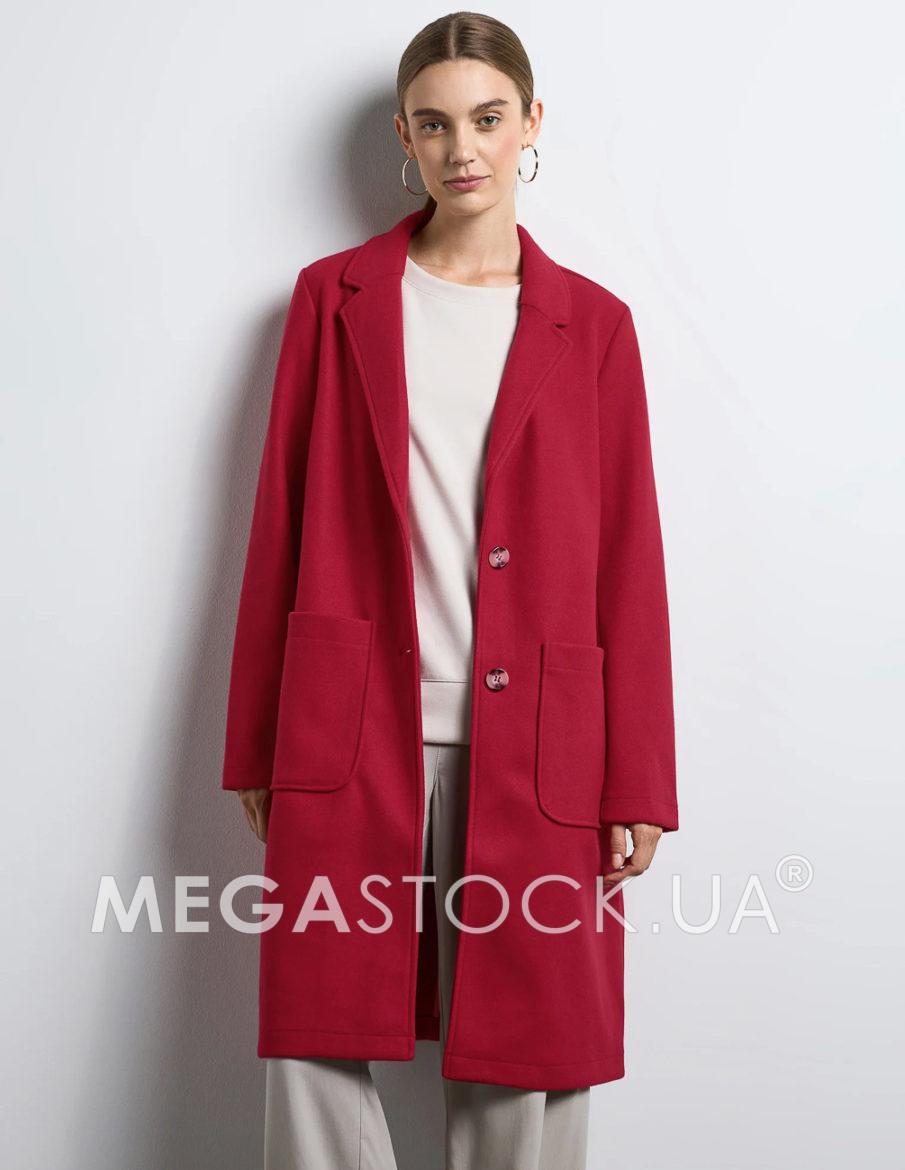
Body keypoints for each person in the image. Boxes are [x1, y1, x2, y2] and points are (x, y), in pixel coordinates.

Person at [222, 12, 679, 1169]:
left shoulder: (595, 327)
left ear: (530, 124)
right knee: (316, 1035)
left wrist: (637, 776)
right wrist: (257, 741)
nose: (460, 148)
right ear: (403, 137)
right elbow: (278, 527)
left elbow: (629, 555)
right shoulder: (331, 300)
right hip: (347, 726)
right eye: (433, 125)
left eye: (485, 118)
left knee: (530, 1052)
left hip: (540, 736)